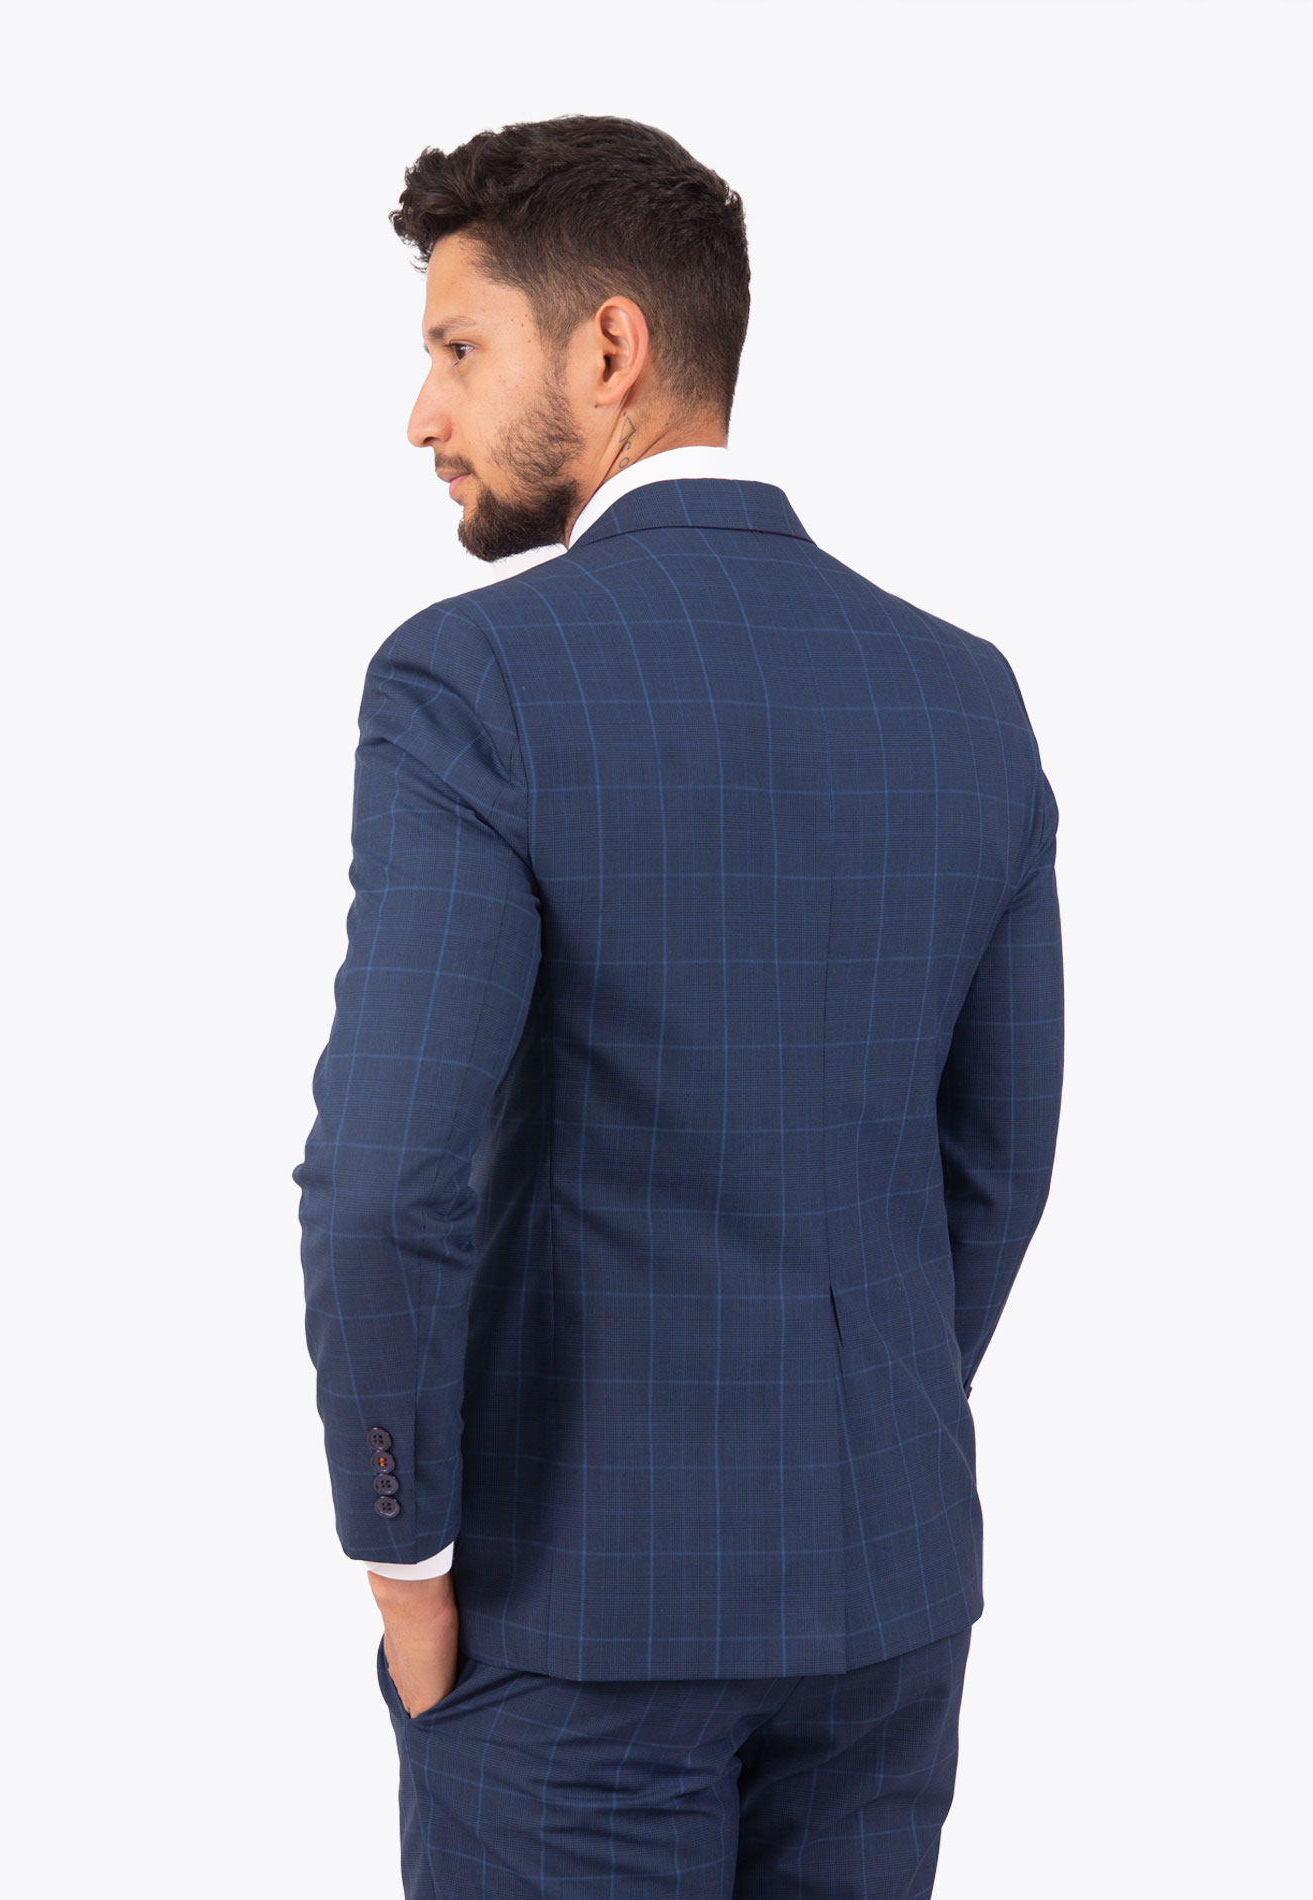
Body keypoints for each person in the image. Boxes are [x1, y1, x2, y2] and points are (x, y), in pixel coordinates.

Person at [292, 111, 1064, 1900]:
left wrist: (404, 1560)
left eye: (457, 349)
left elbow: (383, 1181)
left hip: (573, 1626)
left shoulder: (472, 680)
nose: (421, 414)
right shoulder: (965, 694)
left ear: (612, 349)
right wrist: (843, 1422)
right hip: (884, 1601)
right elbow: (998, 1159)